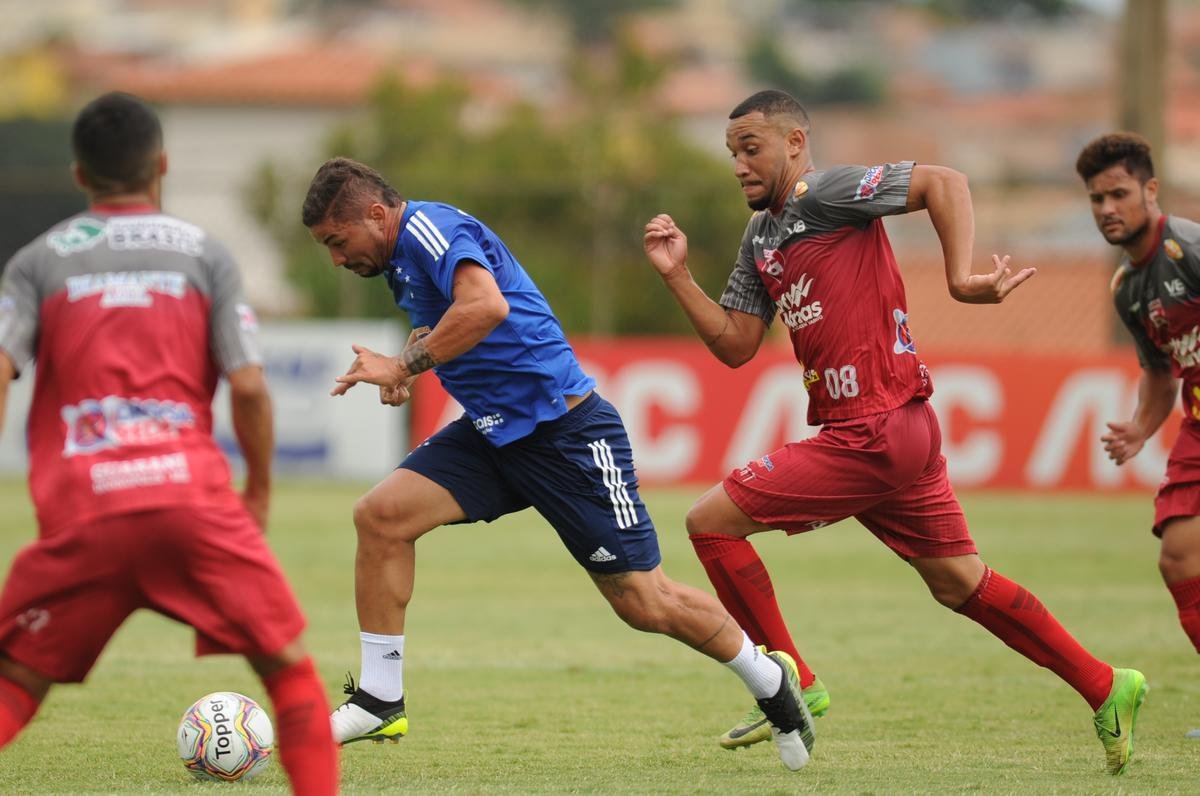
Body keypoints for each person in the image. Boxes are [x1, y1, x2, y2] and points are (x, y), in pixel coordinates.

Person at [642, 89, 1147, 776]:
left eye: (750, 148)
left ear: (794, 144)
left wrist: (962, 278)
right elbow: (736, 345)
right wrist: (678, 278)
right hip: (894, 433)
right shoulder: (761, 235)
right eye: (732, 152)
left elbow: (944, 182)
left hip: (875, 429)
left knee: (710, 524)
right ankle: (1105, 685)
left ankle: (796, 681)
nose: (739, 165)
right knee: (959, 584)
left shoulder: (826, 194)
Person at [301, 156, 815, 770]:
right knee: (381, 517)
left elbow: (485, 306)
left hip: (565, 433)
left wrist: (405, 366)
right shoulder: (401, 259)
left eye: (338, 241)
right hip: (494, 435)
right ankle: (381, 697)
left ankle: (772, 683)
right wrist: (407, 362)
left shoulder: (426, 230)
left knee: (642, 602)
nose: (336, 257)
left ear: (376, 215)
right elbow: (447, 320)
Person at [0, 92, 338, 793]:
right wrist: (258, 498)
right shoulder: (206, 255)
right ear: (163, 165)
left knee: (17, 680)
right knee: (290, 673)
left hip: (85, 512)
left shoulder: (36, 262)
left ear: (78, 175)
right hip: (190, 500)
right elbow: (248, 388)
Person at [1076, 132, 1200, 739]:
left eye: (1118, 194)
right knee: (1179, 558)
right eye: (1096, 199)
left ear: (1150, 190)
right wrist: (1140, 429)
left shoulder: (1192, 251)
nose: (1106, 209)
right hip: (1197, 428)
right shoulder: (1129, 289)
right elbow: (1159, 372)